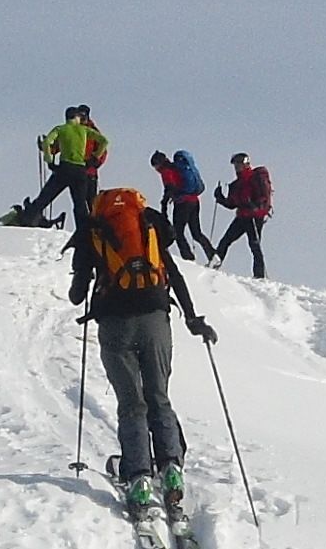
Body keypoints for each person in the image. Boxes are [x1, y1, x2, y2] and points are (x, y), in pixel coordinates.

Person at [71, 184, 215, 529]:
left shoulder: (92, 231)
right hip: (155, 319)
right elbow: (173, 273)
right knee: (158, 396)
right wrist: (193, 319)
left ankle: (138, 479)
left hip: (115, 325)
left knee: (131, 403)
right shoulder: (149, 225)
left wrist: (88, 280)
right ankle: (171, 472)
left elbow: (77, 296)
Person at [7, 104, 107, 229]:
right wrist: (93, 161)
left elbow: (103, 150)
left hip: (83, 172)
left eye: (83, 115)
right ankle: (85, 230)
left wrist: (48, 155)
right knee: (81, 204)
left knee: (87, 203)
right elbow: (104, 143)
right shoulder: (85, 131)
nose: (81, 118)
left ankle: (29, 217)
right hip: (82, 171)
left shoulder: (81, 130)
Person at [212, 152, 273, 276]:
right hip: (243, 216)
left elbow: (263, 197)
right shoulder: (237, 184)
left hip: (254, 217)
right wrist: (220, 198)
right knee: (226, 240)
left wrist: (255, 206)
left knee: (254, 245)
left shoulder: (255, 178)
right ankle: (214, 264)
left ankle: (259, 275)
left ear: (246, 164)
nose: (236, 167)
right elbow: (232, 204)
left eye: (239, 164)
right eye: (235, 165)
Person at [153, 149, 212, 258]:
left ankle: (188, 257)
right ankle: (212, 254)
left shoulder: (166, 171)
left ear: (158, 164)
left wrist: (164, 205)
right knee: (196, 233)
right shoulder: (177, 167)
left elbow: (169, 188)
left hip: (182, 203)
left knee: (178, 232)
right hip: (194, 201)